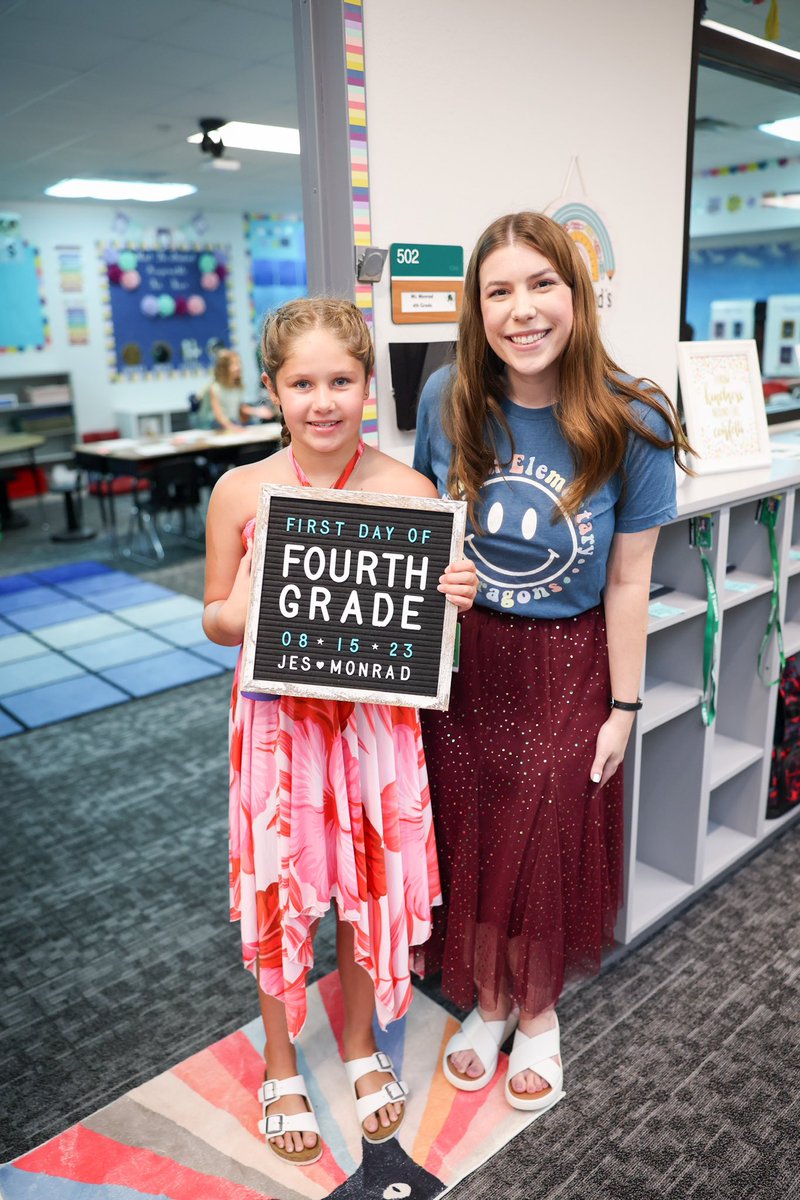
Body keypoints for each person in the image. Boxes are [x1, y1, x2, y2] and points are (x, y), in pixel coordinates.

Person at [413, 212, 690, 1113]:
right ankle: (489, 1002)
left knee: (544, 831)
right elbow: (427, 529)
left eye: (542, 284)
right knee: (471, 827)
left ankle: (537, 1014)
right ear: (477, 308)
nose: (522, 310)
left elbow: (629, 581)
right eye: (499, 291)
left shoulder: (633, 413)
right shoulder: (448, 395)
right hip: (467, 659)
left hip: (567, 663)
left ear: (578, 294)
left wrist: (624, 708)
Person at [203, 297, 477, 1165]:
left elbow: (428, 640)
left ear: (366, 387)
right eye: (301, 384)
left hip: (372, 731)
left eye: (340, 381)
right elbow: (214, 619)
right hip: (278, 731)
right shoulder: (241, 491)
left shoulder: (410, 493)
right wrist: (245, 598)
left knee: (369, 888)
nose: (322, 402)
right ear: (273, 390)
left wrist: (455, 599)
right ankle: (280, 1062)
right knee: (279, 894)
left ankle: (359, 1044)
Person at [196, 348, 273, 429]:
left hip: (232, 421)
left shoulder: (237, 387)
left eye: (238, 363)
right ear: (223, 368)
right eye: (233, 364)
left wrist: (256, 411)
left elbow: (240, 407)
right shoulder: (215, 388)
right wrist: (234, 428)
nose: (238, 367)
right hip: (215, 425)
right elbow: (219, 416)